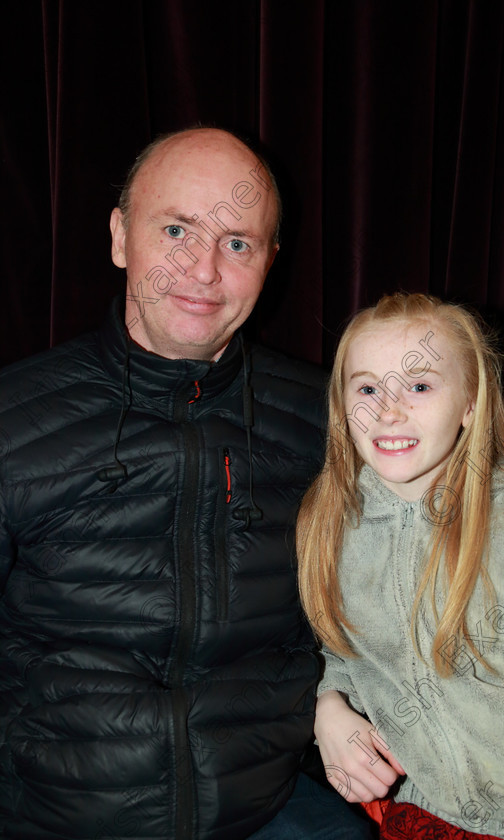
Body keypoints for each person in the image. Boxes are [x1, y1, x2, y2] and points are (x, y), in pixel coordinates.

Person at [0, 129, 372, 839]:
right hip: (56, 815)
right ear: (120, 237)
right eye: (176, 230)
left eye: (238, 243)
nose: (202, 271)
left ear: (269, 262)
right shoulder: (14, 419)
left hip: (263, 807)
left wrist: (335, 702)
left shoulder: (328, 421)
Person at [297, 292, 504, 840]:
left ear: (470, 404)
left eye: (419, 386)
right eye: (368, 388)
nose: (389, 410)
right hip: (420, 814)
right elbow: (338, 648)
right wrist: (327, 704)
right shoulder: (328, 522)